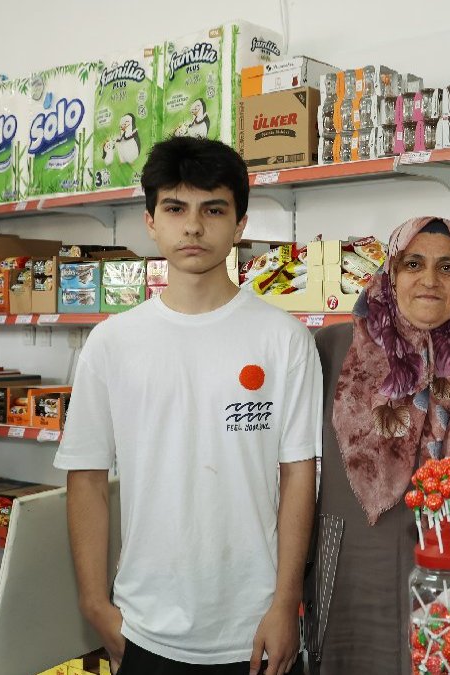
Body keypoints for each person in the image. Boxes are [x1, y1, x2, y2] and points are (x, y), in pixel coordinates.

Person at [55, 136, 319, 675]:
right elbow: (86, 478)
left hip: (255, 629)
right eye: (176, 208)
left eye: (213, 210)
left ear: (240, 224)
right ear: (150, 221)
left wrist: (285, 603)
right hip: (144, 625)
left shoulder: (284, 339)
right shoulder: (112, 343)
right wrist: (94, 604)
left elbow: (299, 476)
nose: (193, 227)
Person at [306, 217, 450, 673]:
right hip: (350, 558)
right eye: (413, 264)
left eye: (448, 267)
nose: (430, 280)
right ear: (390, 272)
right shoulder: (331, 348)